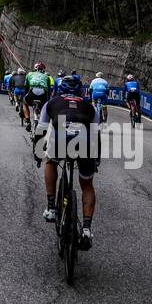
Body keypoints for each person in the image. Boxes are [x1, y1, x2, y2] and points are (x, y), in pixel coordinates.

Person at [36, 73, 98, 248]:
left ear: (59, 89)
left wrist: (37, 152)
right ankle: (86, 229)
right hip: (84, 142)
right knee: (87, 184)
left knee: (51, 161)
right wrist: (96, 159)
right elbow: (96, 135)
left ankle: (51, 208)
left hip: (61, 137)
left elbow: (40, 130)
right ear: (81, 91)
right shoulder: (91, 107)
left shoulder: (51, 103)